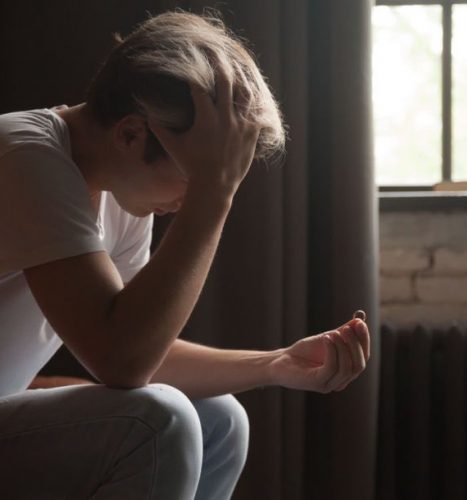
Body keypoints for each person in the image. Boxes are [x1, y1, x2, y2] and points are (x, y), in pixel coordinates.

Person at [0, 11, 371, 500]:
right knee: (159, 423)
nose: (184, 203)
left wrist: (275, 363)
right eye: (194, 175)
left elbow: (142, 351)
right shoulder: (25, 157)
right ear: (131, 135)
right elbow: (121, 361)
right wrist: (213, 195)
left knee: (219, 417)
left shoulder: (119, 186)